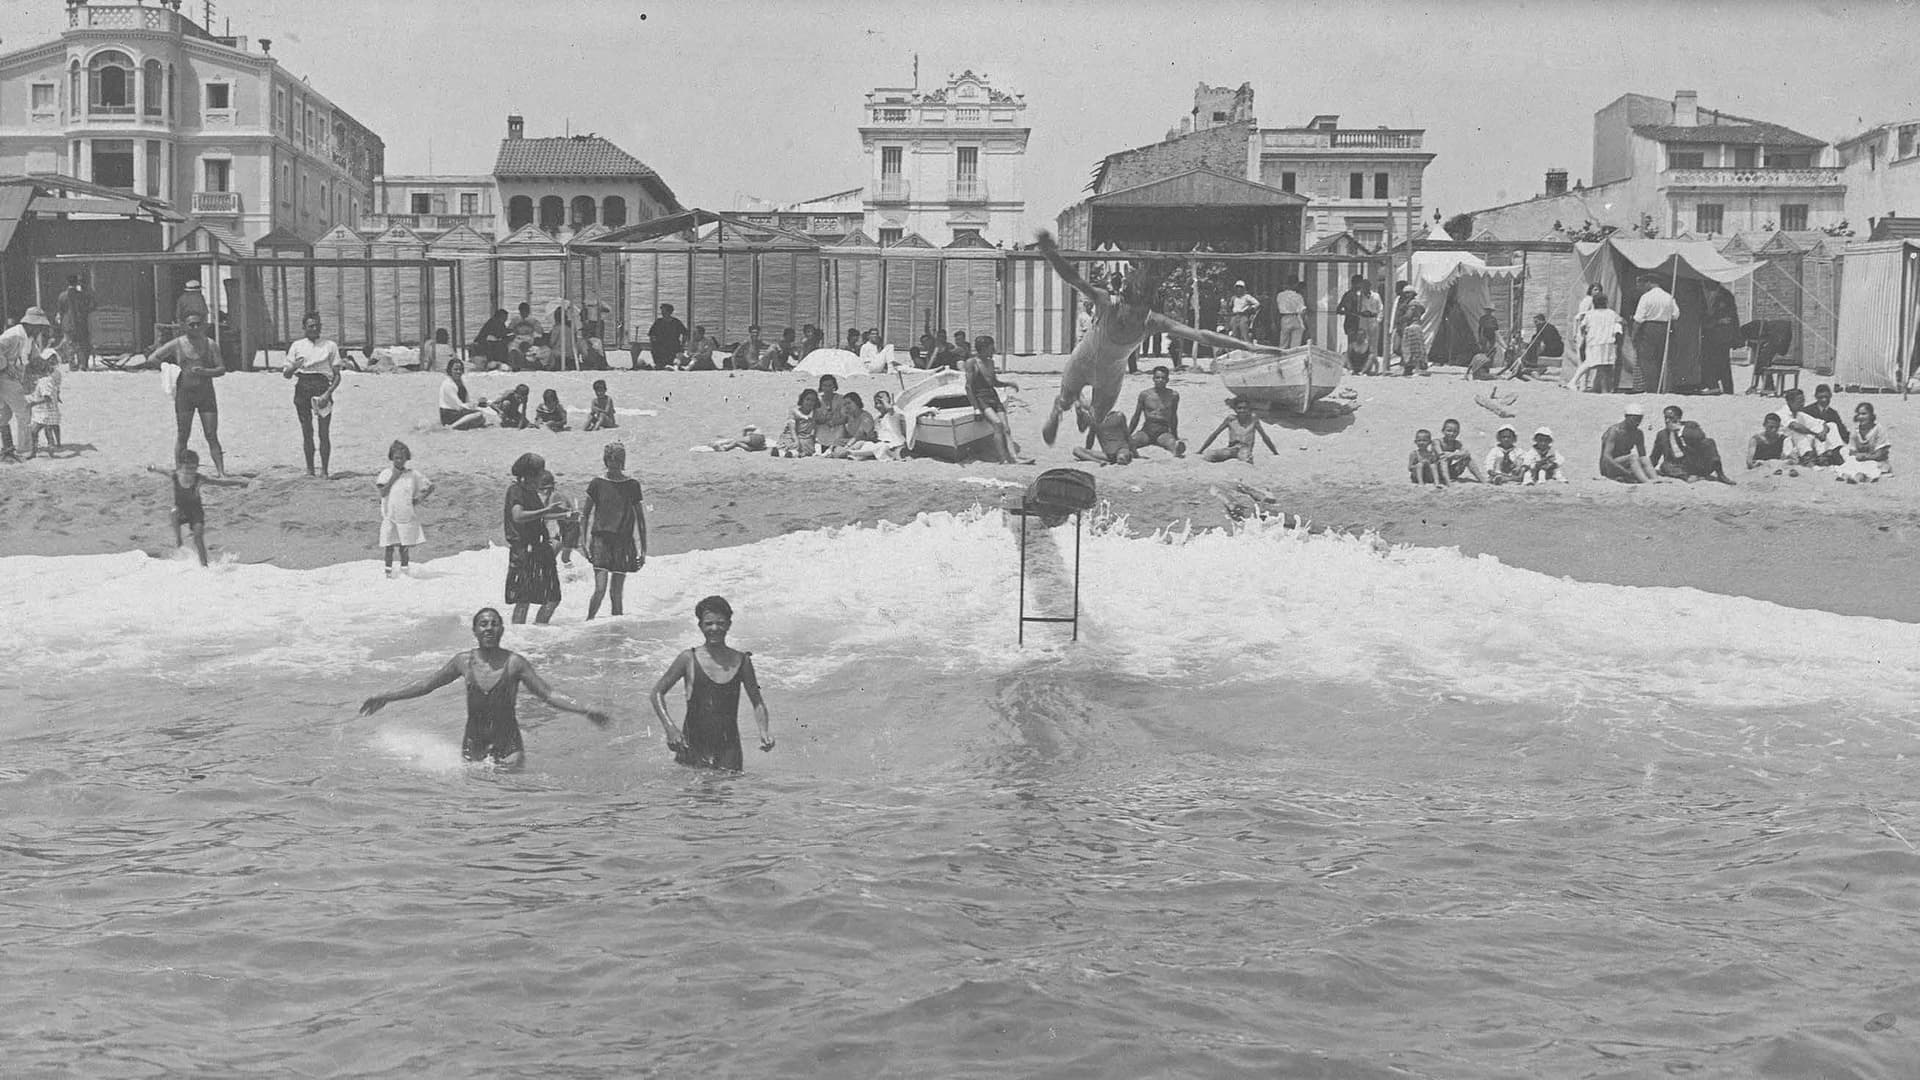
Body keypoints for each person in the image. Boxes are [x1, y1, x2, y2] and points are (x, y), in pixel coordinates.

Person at [1032, 230, 1265, 446]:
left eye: (1140, 314)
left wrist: (1246, 345)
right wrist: (1051, 254)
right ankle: (1059, 408)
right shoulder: (1105, 303)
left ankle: (1083, 410)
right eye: (1132, 314)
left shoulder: (1151, 321)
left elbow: (1201, 335)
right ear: (1123, 301)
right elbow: (1074, 279)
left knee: (1092, 422)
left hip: (1110, 375)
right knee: (1065, 401)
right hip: (1082, 362)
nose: (1135, 320)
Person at [358, 607, 613, 766]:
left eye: (494, 623)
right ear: (475, 631)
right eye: (484, 624)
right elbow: (426, 685)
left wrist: (584, 709)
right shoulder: (463, 662)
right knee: (479, 804)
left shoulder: (515, 663)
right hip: (474, 742)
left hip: (509, 743)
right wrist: (387, 697)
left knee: (510, 799)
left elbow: (547, 694)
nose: (489, 628)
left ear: (502, 629)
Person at [650, 595, 774, 771]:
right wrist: (670, 728)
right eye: (708, 624)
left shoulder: (742, 660)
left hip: (729, 749)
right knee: (692, 796)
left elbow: (757, 701)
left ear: (729, 625)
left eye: (720, 623)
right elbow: (657, 693)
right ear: (700, 626)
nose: (715, 628)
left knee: (728, 794)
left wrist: (763, 731)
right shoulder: (688, 658)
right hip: (692, 745)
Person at [152, 309, 228, 476]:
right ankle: (180, 470)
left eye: (198, 324)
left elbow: (222, 369)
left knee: (211, 434)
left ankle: (221, 472)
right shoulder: (178, 344)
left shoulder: (210, 344)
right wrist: (169, 369)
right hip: (184, 394)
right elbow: (153, 358)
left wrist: (205, 372)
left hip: (205, 394)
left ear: (203, 326)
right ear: (184, 327)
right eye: (191, 324)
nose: (194, 327)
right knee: (183, 433)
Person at [581, 441, 647, 619]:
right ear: (605, 460)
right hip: (601, 540)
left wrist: (643, 550)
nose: (613, 463)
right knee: (600, 589)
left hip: (623, 542)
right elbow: (585, 514)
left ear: (622, 461)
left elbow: (640, 520)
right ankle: (588, 622)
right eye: (610, 459)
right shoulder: (597, 483)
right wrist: (583, 542)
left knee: (616, 593)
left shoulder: (632, 485)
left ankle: (617, 635)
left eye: (617, 459)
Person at [145, 449, 244, 566]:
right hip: (181, 511)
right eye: (187, 468)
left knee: (198, 537)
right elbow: (160, 470)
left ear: (197, 467)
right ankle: (178, 539)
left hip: (196, 513)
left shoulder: (199, 479)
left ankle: (204, 564)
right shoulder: (175, 475)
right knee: (173, 511)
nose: (190, 472)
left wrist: (238, 483)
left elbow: (219, 483)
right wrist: (152, 467)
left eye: (193, 468)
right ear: (181, 466)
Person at [503, 452, 567, 625]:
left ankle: (537, 635)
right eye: (540, 472)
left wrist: (564, 515)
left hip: (539, 549)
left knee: (552, 598)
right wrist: (546, 511)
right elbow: (518, 516)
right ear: (530, 474)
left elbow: (536, 517)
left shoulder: (530, 492)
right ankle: (520, 640)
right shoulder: (516, 490)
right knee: (523, 600)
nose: (542, 475)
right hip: (524, 550)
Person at [283, 312, 343, 479]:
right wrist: (294, 366)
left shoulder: (329, 346)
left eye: (317, 325)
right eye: (311, 326)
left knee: (324, 432)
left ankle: (324, 470)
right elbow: (286, 374)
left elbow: (337, 376)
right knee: (306, 431)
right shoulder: (296, 346)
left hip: (322, 386)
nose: (315, 329)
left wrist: (327, 394)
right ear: (304, 328)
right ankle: (310, 470)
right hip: (302, 386)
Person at [966, 334, 1028, 464]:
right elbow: (968, 387)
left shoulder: (990, 362)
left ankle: (1014, 458)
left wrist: (1008, 384)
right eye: (990, 347)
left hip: (992, 395)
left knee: (1006, 428)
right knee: (997, 424)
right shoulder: (971, 363)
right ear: (983, 348)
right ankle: (1002, 458)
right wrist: (976, 408)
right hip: (981, 398)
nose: (993, 350)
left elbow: (993, 382)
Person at [0, 307, 51, 461]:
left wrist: (46, 365)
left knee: (5, 414)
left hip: (14, 379)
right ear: (30, 324)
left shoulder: (29, 338)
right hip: (6, 378)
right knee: (24, 412)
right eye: (39, 327)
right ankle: (24, 449)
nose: (40, 330)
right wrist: (6, 366)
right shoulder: (14, 335)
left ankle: (7, 448)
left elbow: (35, 358)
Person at [376, 439, 433, 577]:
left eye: (402, 458)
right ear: (391, 458)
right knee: (389, 546)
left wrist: (418, 499)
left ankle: (405, 570)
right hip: (390, 516)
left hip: (406, 515)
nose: (399, 461)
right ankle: (388, 572)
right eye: (396, 458)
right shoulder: (386, 474)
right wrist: (394, 477)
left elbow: (430, 486)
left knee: (404, 546)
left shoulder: (412, 474)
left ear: (407, 458)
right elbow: (383, 493)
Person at [1632, 275, 1681, 393]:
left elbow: (1639, 319)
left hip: (1649, 328)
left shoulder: (1646, 297)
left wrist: (1634, 334)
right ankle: (1665, 388)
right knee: (1663, 358)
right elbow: (1676, 314)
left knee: (1648, 359)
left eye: (1644, 283)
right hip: (1665, 328)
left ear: (1649, 283)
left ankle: (1651, 388)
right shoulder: (1669, 297)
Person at [1775, 387, 1844, 464]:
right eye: (1799, 402)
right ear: (1790, 402)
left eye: (1803, 401)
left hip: (1801, 443)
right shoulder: (1782, 413)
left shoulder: (1799, 414)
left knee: (1831, 425)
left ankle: (1833, 451)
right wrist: (1816, 434)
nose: (1802, 404)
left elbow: (1822, 423)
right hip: (1786, 444)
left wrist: (1823, 432)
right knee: (1799, 432)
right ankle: (1808, 458)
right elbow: (1796, 427)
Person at [1198, 397, 1278, 463]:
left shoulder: (1253, 419)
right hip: (1232, 448)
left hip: (1245, 448)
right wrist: (1201, 450)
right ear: (1235, 409)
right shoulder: (1231, 419)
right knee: (1210, 455)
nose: (1242, 411)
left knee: (1245, 459)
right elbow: (1215, 434)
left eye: (1245, 408)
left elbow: (1264, 436)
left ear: (1249, 409)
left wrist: (1275, 452)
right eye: (1239, 408)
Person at [1128, 366, 1185, 456]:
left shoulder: (1173, 395)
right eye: (1157, 377)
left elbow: (1173, 416)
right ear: (1153, 379)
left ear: (1167, 380)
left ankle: (1176, 449)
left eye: (1163, 378)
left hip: (1163, 430)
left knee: (1171, 443)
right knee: (1132, 442)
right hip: (1147, 429)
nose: (1160, 380)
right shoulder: (1145, 395)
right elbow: (1136, 415)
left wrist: (1175, 435)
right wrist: (1128, 433)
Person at [1573, 294, 1624, 393]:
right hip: (1608, 341)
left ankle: (1598, 387)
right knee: (1606, 366)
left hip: (1594, 342)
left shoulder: (1590, 314)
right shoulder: (1611, 313)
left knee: (1592, 363)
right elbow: (1620, 321)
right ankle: (1605, 389)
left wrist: (1585, 335)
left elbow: (1583, 327)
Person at [1599, 404, 1658, 483]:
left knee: (1644, 459)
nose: (1637, 422)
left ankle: (1655, 479)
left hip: (1625, 464)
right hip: (1609, 467)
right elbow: (1607, 457)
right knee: (1632, 457)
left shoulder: (1638, 433)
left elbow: (1642, 456)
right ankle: (1646, 481)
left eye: (1639, 420)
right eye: (1634, 419)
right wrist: (1625, 471)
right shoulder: (1614, 431)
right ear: (1626, 417)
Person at [23, 353, 63, 458]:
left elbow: (47, 398)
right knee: (46, 431)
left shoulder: (44, 381)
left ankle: (36, 452)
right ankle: (49, 451)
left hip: (45, 412)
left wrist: (33, 403)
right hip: (47, 411)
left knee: (36, 431)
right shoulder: (48, 379)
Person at [1840, 402, 1892, 481]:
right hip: (1860, 459)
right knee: (1847, 456)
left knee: (1871, 465)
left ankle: (1858, 476)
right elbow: (1852, 451)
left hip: (1875, 460)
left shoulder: (1878, 429)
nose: (1861, 417)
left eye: (1864, 414)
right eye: (1859, 414)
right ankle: (1855, 475)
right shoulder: (1855, 430)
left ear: (1871, 415)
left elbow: (1880, 454)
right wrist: (1858, 455)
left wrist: (1865, 456)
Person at [1700, 292, 1740, 394]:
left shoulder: (1725, 296)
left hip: (1721, 336)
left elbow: (1732, 318)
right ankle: (1713, 386)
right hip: (1709, 335)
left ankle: (1727, 389)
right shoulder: (1704, 294)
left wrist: (1735, 338)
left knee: (1723, 364)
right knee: (1708, 362)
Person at [541, 471, 581, 567]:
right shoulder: (552, 496)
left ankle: (574, 576)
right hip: (563, 526)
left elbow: (548, 515)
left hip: (571, 528)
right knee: (551, 556)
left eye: (541, 489)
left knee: (564, 558)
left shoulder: (554, 496)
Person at [56, 274, 93, 371]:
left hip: (67, 324)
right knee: (81, 344)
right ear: (77, 282)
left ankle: (72, 365)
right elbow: (87, 307)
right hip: (80, 323)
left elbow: (61, 311)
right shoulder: (81, 295)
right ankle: (82, 365)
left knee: (70, 344)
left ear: (67, 283)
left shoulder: (62, 296)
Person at [438, 358, 488, 429]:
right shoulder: (448, 384)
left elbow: (467, 401)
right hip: (449, 413)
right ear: (450, 370)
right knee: (478, 414)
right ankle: (452, 427)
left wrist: (479, 404)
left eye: (460, 369)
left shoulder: (460, 381)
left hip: (458, 411)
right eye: (456, 369)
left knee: (482, 419)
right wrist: (476, 403)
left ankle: (461, 425)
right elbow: (459, 406)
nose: (458, 372)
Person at [1335, 276, 1372, 374]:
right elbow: (1339, 310)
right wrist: (1353, 314)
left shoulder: (1359, 295)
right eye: (1360, 283)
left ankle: (1358, 366)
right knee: (1352, 346)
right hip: (1351, 323)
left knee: (1359, 344)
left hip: (1357, 322)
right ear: (1356, 283)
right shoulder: (1349, 295)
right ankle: (1352, 367)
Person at [830, 392, 879, 458]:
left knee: (858, 444)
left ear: (857, 402)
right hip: (852, 442)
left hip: (865, 442)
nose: (847, 406)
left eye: (849, 403)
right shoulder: (849, 417)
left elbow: (858, 436)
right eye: (844, 404)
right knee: (837, 441)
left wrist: (846, 446)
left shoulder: (865, 417)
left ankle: (844, 453)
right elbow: (835, 423)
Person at [774, 389, 821, 457]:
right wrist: (796, 441)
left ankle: (791, 453)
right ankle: (784, 452)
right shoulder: (794, 411)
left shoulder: (816, 413)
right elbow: (792, 429)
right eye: (807, 399)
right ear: (802, 400)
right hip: (791, 436)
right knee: (790, 444)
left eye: (813, 400)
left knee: (805, 446)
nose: (810, 402)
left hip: (805, 438)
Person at [1436, 418, 1484, 482]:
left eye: (1455, 432)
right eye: (1449, 431)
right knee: (1443, 459)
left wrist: (1453, 454)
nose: (1452, 434)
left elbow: (1466, 453)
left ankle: (1482, 480)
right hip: (1435, 473)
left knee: (1467, 458)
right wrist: (1456, 455)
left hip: (1450, 472)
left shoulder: (1456, 443)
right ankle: (1448, 482)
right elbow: (1441, 454)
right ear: (1443, 431)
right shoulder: (1437, 442)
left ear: (1458, 433)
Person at [1648, 404, 1689, 478]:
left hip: (1688, 464)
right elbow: (1655, 456)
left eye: (1671, 418)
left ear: (1679, 418)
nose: (1667, 420)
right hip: (1671, 465)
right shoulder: (1662, 434)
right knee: (1664, 466)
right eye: (1666, 418)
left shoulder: (1687, 431)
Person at [646, 303, 687, 370]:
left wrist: (682, 345)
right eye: (662, 311)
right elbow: (651, 334)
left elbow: (685, 333)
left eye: (664, 311)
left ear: (669, 312)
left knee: (673, 359)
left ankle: (669, 364)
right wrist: (653, 344)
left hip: (673, 346)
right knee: (657, 356)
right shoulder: (658, 322)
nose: (662, 313)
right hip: (660, 346)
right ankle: (660, 364)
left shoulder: (676, 322)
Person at [1397, 292, 1429, 376]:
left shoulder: (1412, 304)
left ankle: (1417, 369)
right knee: (1417, 348)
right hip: (1417, 325)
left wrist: (1401, 319)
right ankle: (1416, 368)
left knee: (1414, 349)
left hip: (1412, 327)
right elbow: (1423, 310)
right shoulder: (1418, 303)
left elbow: (1408, 316)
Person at [508, 302, 545, 371]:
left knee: (531, 350)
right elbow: (510, 330)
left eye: (525, 310)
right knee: (512, 348)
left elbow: (540, 331)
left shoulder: (533, 320)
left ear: (528, 311)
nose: (523, 312)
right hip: (518, 338)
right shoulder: (515, 320)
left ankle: (528, 364)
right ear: (519, 311)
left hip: (529, 338)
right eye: (522, 310)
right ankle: (514, 365)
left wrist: (530, 324)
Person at [1274, 280, 1308, 348]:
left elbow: (1277, 308)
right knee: (1296, 343)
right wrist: (1304, 322)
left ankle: (1282, 356)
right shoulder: (1298, 296)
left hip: (1284, 317)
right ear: (1295, 285)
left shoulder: (1280, 295)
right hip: (1296, 317)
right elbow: (1302, 310)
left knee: (1283, 341)